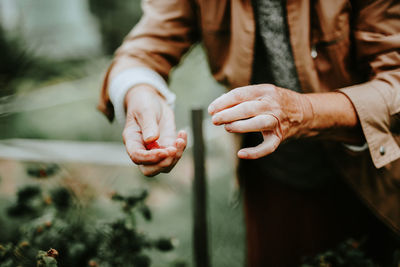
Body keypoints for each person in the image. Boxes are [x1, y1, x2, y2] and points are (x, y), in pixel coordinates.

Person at [98, 0, 400, 266]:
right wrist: (139, 91)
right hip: (271, 178)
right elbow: (144, 47)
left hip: (376, 178)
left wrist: (304, 111)